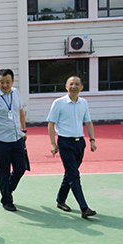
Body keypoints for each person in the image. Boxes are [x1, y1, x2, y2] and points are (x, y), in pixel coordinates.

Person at [47, 76, 97, 219]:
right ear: (66, 86)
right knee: (74, 175)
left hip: (79, 143)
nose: (74, 86)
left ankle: (60, 200)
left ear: (81, 87)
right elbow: (51, 124)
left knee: (70, 173)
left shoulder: (83, 103)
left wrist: (92, 140)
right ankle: (84, 208)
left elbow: (88, 122)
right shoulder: (59, 103)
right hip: (65, 143)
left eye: (77, 84)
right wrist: (53, 143)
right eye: (71, 84)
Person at [0, 69, 28, 212]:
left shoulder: (16, 93)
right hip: (0, 139)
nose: (5, 85)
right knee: (4, 171)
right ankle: (7, 200)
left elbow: (20, 112)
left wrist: (24, 130)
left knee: (21, 168)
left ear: (13, 81)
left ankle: (7, 190)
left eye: (8, 82)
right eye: (1, 82)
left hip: (16, 137)